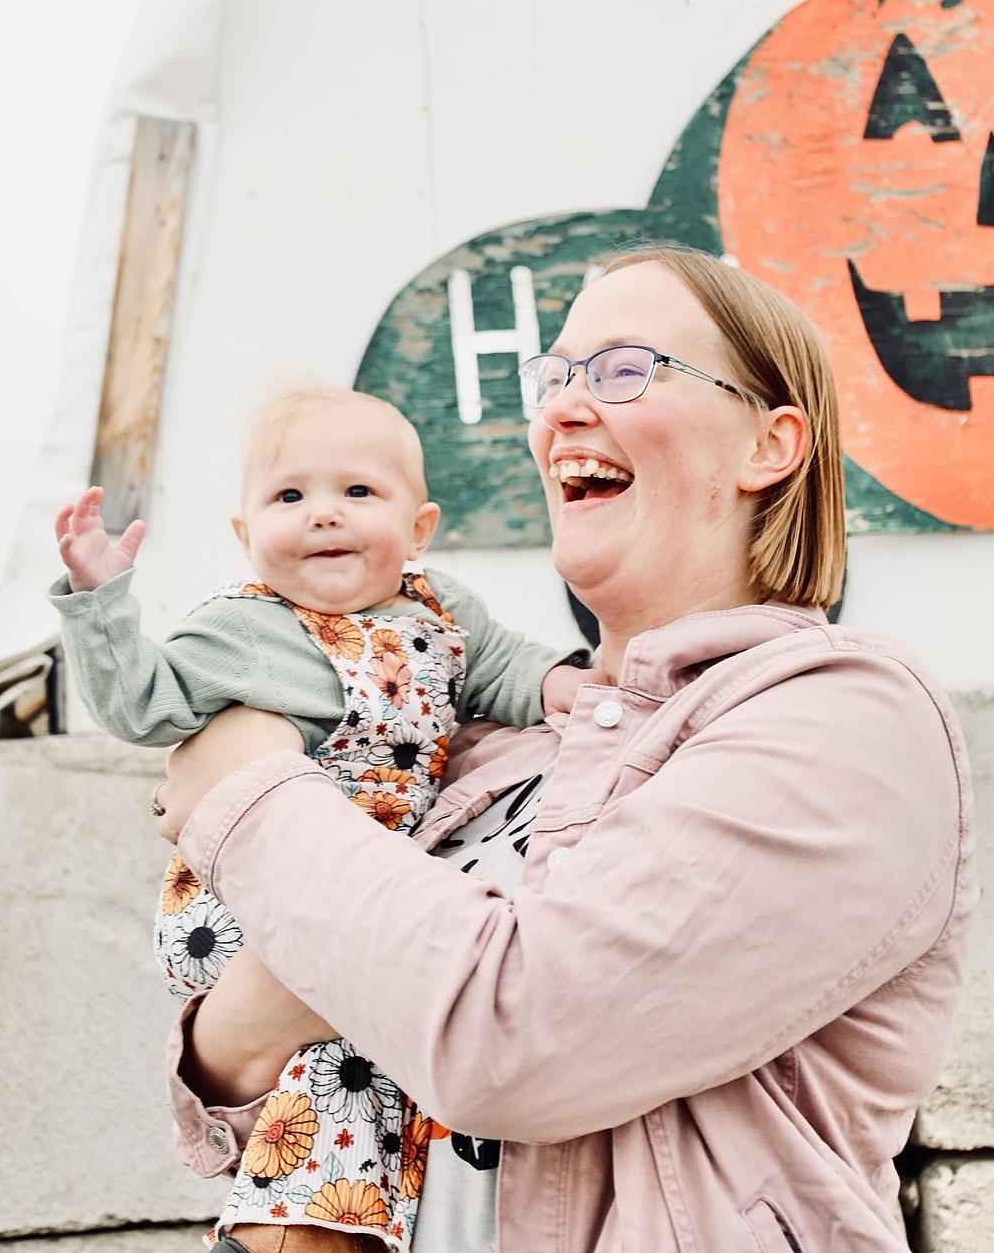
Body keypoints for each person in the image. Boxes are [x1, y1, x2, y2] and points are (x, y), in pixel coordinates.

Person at [155, 246, 976, 1253]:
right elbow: (257, 1080)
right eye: (553, 378)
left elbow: (513, 1040)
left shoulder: (845, 714)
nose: (562, 410)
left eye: (626, 369)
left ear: (770, 444)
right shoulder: (488, 746)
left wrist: (247, 790)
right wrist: (246, 1023)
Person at [49, 382, 592, 1253]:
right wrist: (101, 602)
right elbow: (142, 704)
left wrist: (569, 687)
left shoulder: (443, 611)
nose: (324, 514)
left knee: (364, 1065)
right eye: (290, 495)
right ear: (246, 534)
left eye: (358, 491)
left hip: (375, 884)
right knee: (340, 1058)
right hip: (247, 900)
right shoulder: (241, 628)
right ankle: (290, 1233)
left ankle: (330, 1226)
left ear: (419, 528)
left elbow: (503, 668)